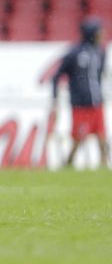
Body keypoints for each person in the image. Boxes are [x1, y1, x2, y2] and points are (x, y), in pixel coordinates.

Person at [50, 17, 107, 169]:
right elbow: (56, 76)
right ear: (91, 33)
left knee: (102, 138)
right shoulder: (74, 53)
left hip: (97, 104)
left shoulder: (100, 52)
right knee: (78, 139)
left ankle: (104, 166)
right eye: (99, 31)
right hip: (81, 105)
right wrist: (55, 99)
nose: (103, 34)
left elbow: (99, 77)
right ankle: (68, 163)